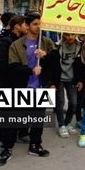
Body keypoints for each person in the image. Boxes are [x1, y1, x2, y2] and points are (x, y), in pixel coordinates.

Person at [8, 12, 55, 157]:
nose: (39, 27)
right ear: (27, 26)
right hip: (23, 87)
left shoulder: (46, 42)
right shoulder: (16, 44)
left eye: (41, 24)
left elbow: (55, 62)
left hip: (40, 88)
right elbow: (12, 67)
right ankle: (7, 146)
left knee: (38, 119)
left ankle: (35, 145)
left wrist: (45, 56)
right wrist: (30, 71)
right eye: (35, 24)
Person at [0, 15, 28, 167]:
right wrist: (22, 69)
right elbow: (2, 64)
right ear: (17, 26)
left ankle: (13, 138)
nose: (27, 27)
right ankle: (6, 145)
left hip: (21, 84)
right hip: (7, 84)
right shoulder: (5, 41)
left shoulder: (26, 41)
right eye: (25, 24)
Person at [46, 33, 85, 137]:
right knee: (60, 102)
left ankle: (67, 123)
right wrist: (51, 83)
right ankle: (61, 125)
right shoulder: (57, 47)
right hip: (59, 79)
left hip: (72, 79)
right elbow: (51, 66)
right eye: (68, 35)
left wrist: (81, 80)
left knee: (74, 103)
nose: (70, 37)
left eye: (72, 35)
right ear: (64, 36)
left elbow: (81, 65)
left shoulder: (80, 47)